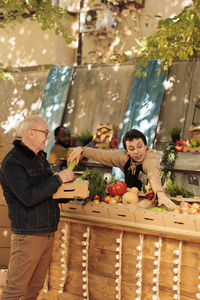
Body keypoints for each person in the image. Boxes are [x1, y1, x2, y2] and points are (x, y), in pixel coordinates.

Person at [0, 115, 74, 300]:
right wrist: (59, 179)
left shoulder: (40, 158)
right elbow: (29, 197)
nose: (48, 137)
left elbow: (47, 192)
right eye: (45, 133)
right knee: (15, 290)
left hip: (47, 232)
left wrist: (70, 194)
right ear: (31, 133)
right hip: (29, 235)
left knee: (33, 290)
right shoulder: (12, 163)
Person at [68, 129, 176, 208]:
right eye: (132, 148)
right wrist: (82, 149)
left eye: (139, 146)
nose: (137, 151)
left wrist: (159, 193)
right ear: (127, 151)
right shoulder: (123, 157)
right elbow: (102, 155)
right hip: (130, 200)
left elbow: (153, 174)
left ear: (145, 146)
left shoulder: (150, 158)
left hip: (151, 200)